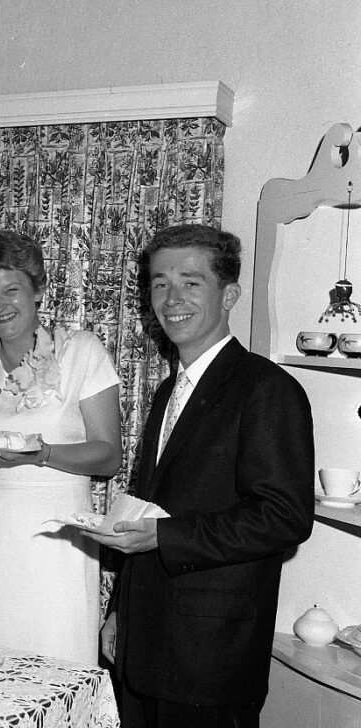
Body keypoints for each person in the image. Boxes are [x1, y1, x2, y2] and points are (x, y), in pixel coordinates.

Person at [87, 224, 314, 728]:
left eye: (191, 282)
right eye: (160, 283)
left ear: (229, 294)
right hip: (145, 645)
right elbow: (150, 507)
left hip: (211, 657)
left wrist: (163, 538)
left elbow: (284, 517)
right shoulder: (169, 392)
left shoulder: (267, 388)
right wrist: (121, 608)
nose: (172, 298)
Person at [0, 229, 123, 664]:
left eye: (12, 290)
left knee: (54, 660)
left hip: (57, 533)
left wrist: (44, 454)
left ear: (38, 290)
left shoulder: (81, 350)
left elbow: (109, 456)